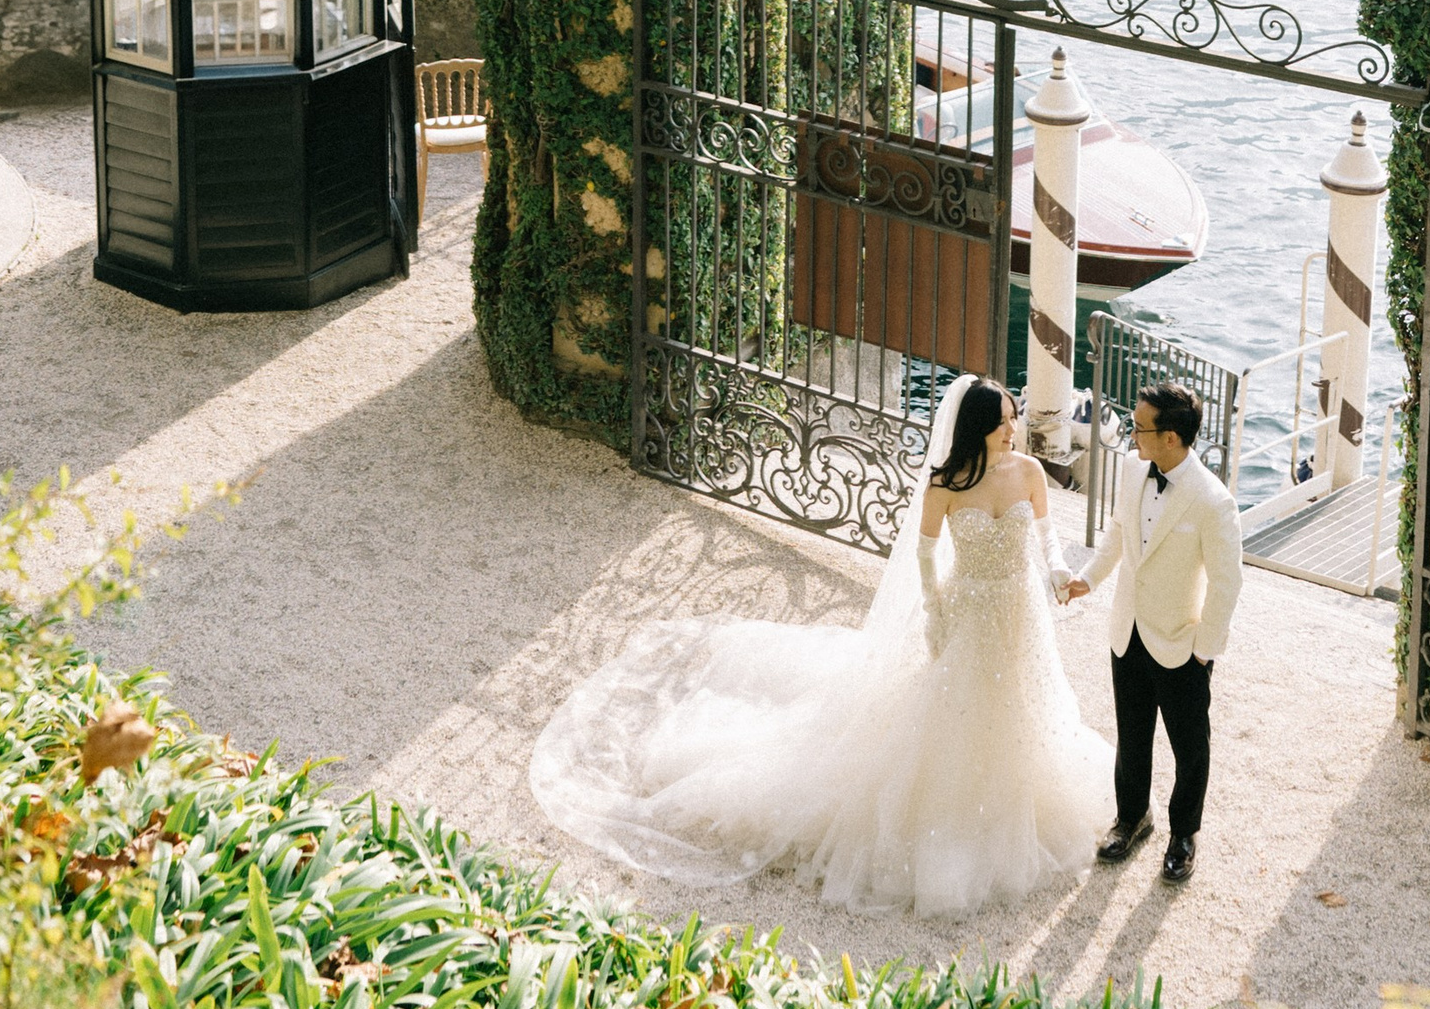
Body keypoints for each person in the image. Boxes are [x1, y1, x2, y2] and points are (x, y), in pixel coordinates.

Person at [526, 374, 1114, 920]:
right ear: (976, 427)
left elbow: (1046, 537)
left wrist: (1059, 573)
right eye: (1003, 420)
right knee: (958, 712)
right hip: (967, 613)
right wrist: (935, 614)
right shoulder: (945, 484)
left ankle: (1017, 801)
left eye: (1013, 418)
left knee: (1022, 706)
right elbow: (924, 554)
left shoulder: (1029, 472)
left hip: (1020, 612)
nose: (1012, 428)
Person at [1065, 381, 1241, 883]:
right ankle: (1131, 818)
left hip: (1182, 643)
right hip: (1128, 630)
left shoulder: (1214, 501)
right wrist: (1089, 579)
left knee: (1190, 748)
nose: (1131, 435)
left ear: (1170, 438)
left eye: (1139, 428)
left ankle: (1183, 834)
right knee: (1132, 734)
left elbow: (1227, 583)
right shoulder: (1131, 469)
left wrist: (1204, 650)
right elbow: (1120, 532)